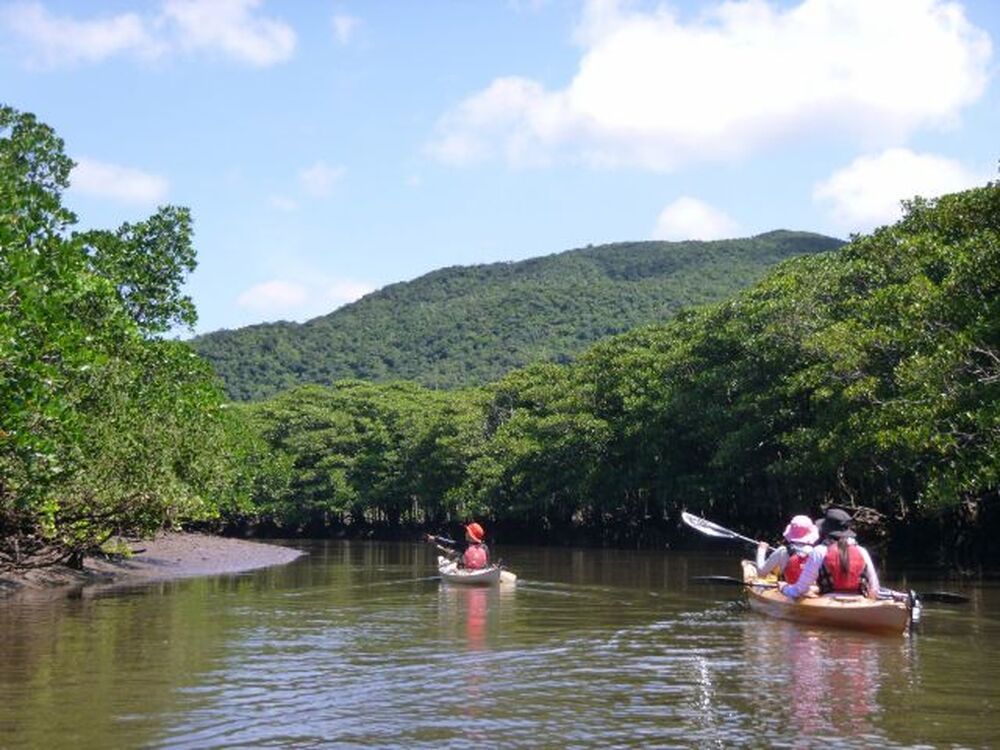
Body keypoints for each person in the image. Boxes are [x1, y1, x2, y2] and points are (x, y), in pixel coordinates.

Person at [780, 508, 880, 600]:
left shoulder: (819, 551)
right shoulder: (862, 551)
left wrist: (784, 588)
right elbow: (874, 588)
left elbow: (799, 590)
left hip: (828, 602)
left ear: (825, 531)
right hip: (859, 601)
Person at [755, 515, 819, 584]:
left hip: (787, 587)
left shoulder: (782, 551)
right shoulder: (816, 553)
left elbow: (761, 572)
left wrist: (761, 550)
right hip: (809, 587)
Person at [426, 522, 490, 570]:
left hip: (466, 572)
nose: (465, 533)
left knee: (459, 558)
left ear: (470, 535)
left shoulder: (464, 545)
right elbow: (486, 562)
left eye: (467, 532)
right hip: (481, 571)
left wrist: (435, 538)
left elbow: (448, 543)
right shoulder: (485, 547)